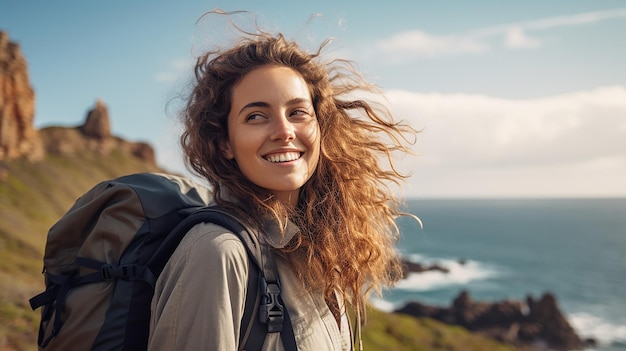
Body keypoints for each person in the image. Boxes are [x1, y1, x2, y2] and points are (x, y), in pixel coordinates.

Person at [148, 16, 416, 351]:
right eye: (256, 116)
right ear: (224, 143)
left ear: (321, 127)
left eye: (298, 112)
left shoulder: (316, 251)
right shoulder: (217, 253)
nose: (284, 131)